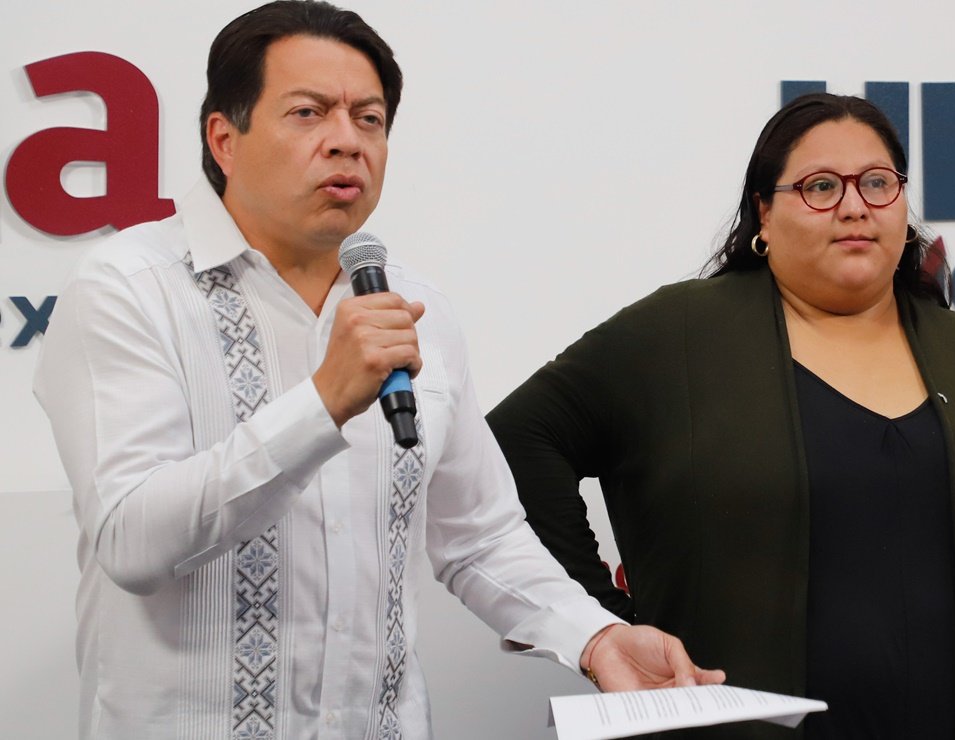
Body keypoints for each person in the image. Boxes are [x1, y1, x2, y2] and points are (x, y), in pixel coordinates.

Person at [33, 2, 723, 738]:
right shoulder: (129, 288)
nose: (347, 141)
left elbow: (479, 534)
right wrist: (322, 404)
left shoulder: (413, 303)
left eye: (369, 119)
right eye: (308, 113)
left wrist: (595, 636)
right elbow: (132, 541)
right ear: (224, 140)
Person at [487, 92, 955, 739]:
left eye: (877, 183)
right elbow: (514, 442)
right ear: (764, 211)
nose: (854, 206)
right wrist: (600, 624)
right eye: (821, 186)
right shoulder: (678, 336)